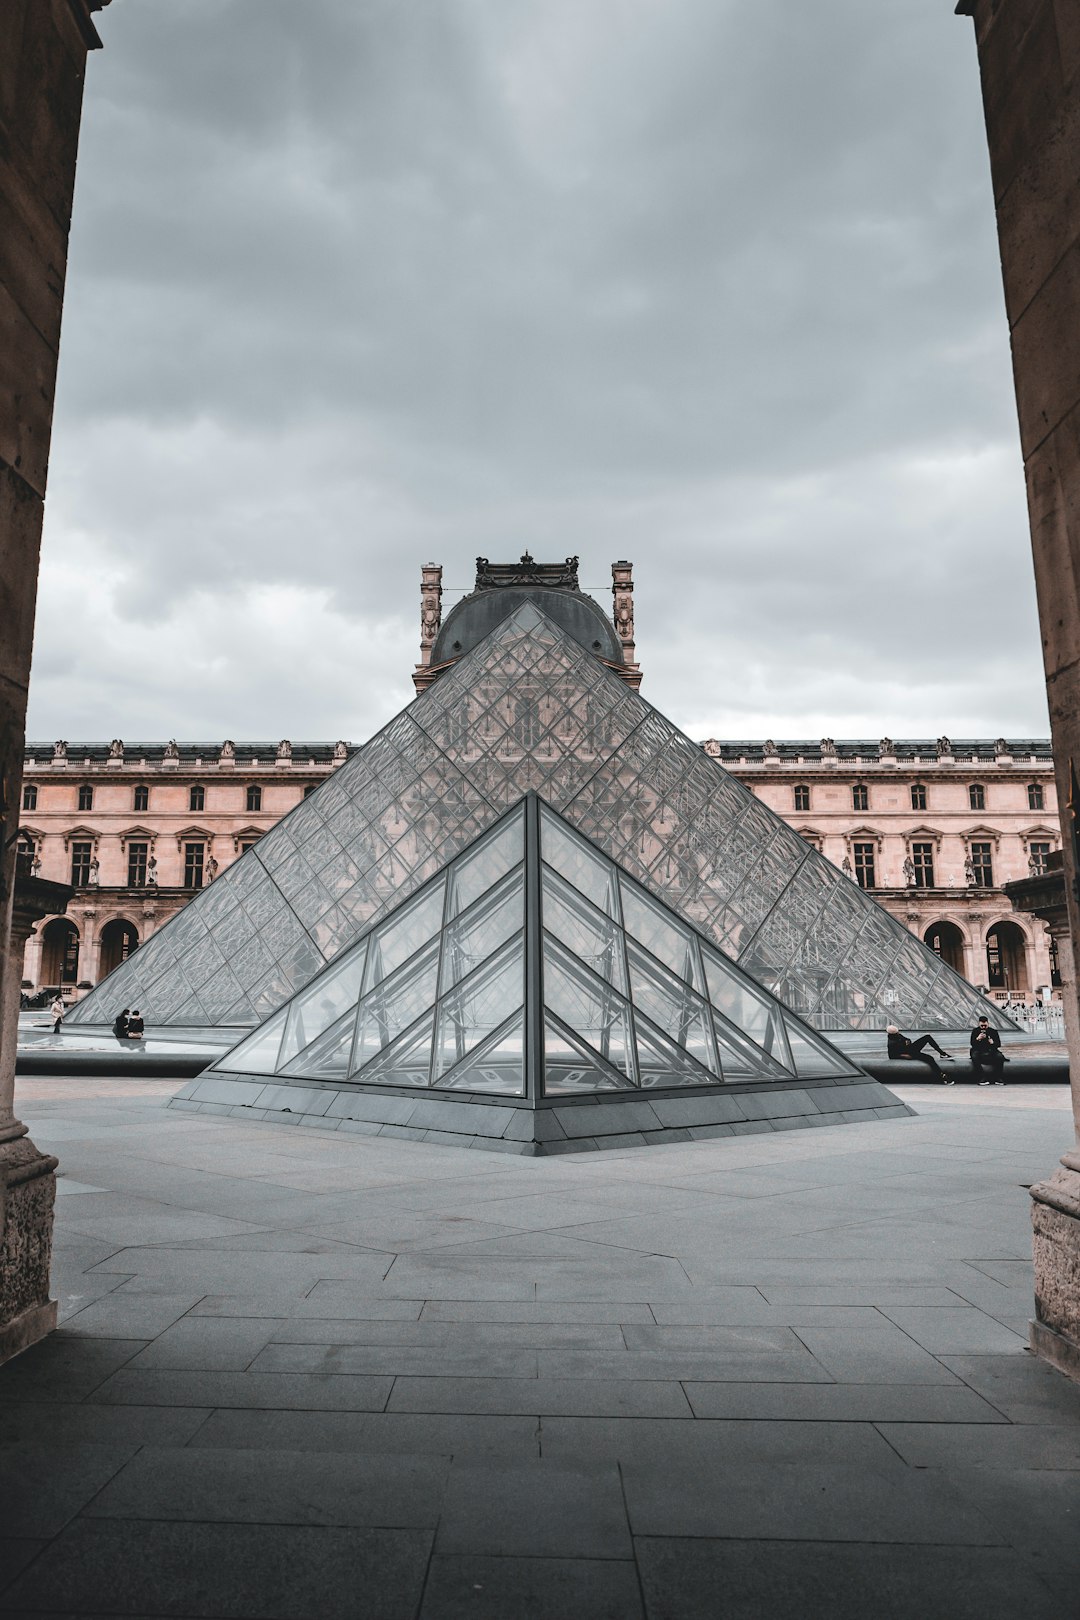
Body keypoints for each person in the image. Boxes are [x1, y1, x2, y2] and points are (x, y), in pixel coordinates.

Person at [886, 1024, 955, 1083]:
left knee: (927, 1037)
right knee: (929, 1058)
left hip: (910, 1049)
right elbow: (891, 1056)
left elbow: (907, 1039)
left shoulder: (897, 1036)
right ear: (894, 1034)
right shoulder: (891, 1043)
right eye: (897, 1032)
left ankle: (942, 1053)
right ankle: (942, 1076)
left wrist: (908, 1042)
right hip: (909, 1054)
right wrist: (905, 1056)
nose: (898, 1032)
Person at [970, 1016, 1007, 1084]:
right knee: (974, 1056)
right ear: (979, 1024)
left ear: (988, 1023)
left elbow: (998, 1044)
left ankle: (998, 1078)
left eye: (985, 1025)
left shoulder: (993, 1031)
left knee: (1000, 1057)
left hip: (991, 1050)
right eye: (982, 1026)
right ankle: (982, 1077)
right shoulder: (975, 1031)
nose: (983, 1027)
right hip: (978, 1050)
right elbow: (972, 1044)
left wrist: (993, 1042)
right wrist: (978, 1039)